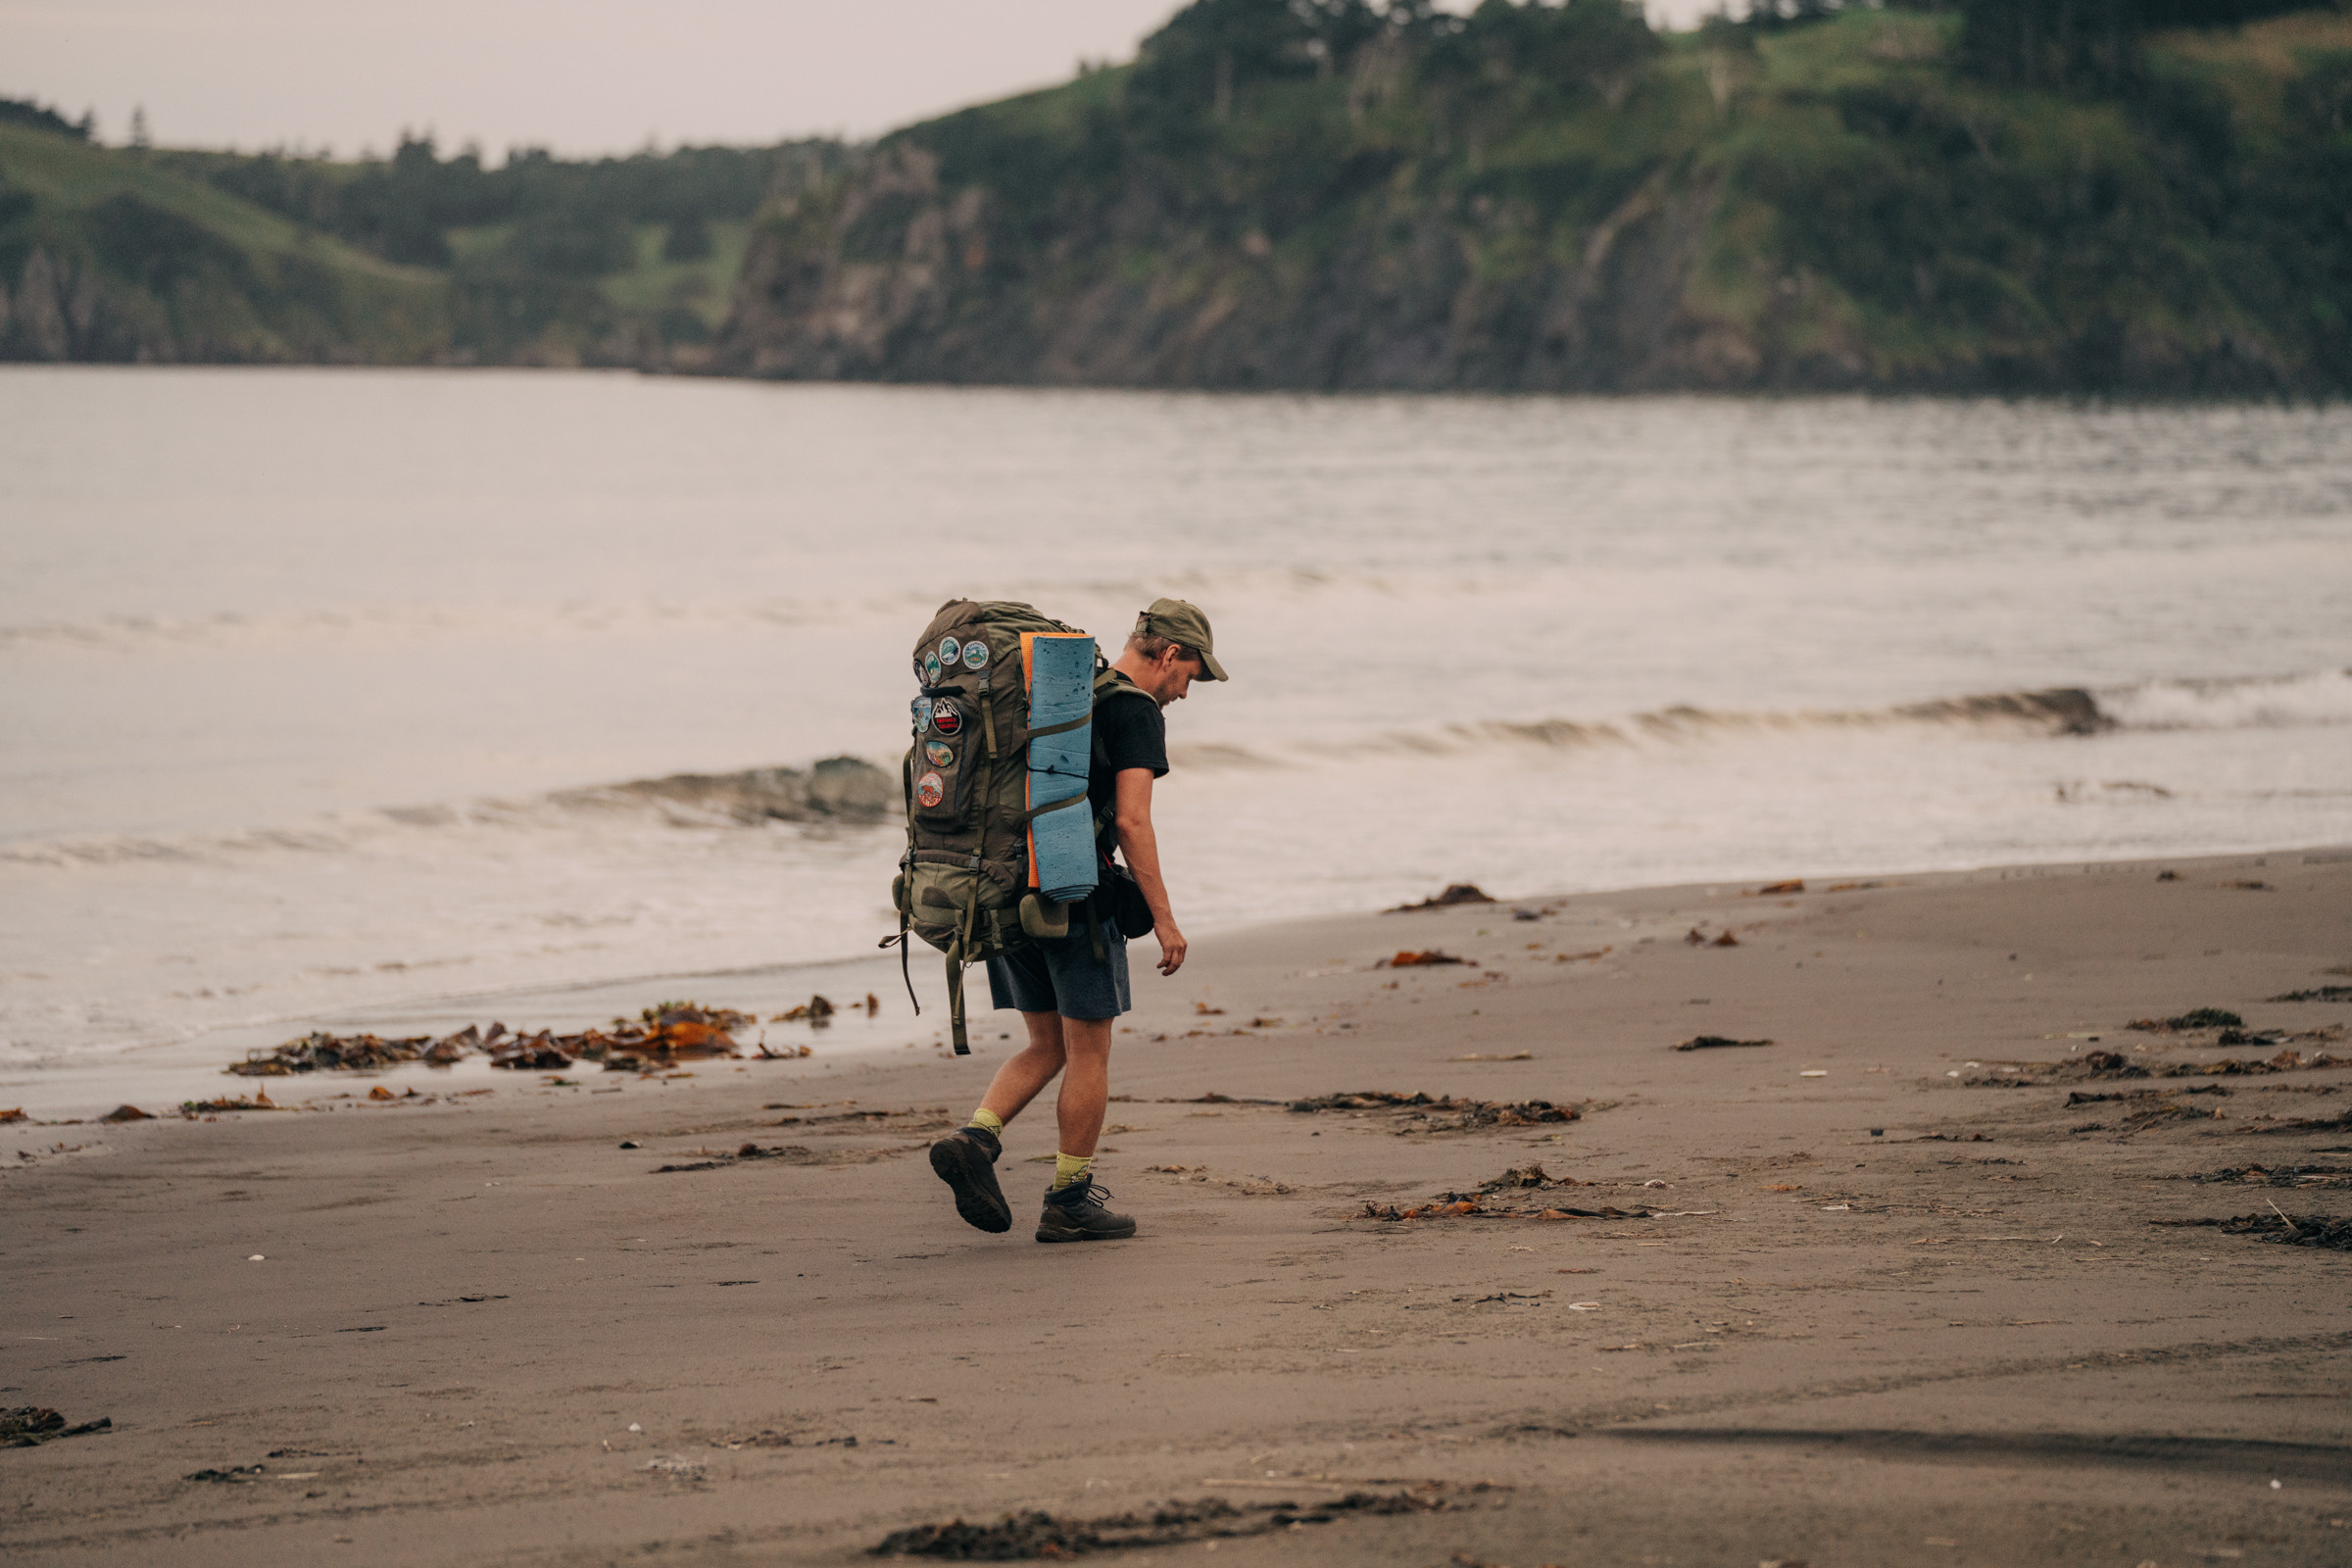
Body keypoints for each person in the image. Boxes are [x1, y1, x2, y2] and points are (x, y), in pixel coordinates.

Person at [928, 598, 1228, 1243]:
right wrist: (1165, 919)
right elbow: (1131, 820)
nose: (1187, 692)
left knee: (1047, 1045)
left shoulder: (1057, 693)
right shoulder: (1134, 709)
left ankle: (975, 1139)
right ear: (1170, 654)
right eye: (1192, 676)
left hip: (1003, 887)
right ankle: (1069, 1198)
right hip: (1072, 895)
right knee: (1089, 1050)